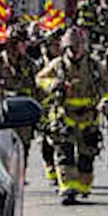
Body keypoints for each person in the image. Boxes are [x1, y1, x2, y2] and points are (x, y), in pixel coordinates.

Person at [36, 27, 108, 205]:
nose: (74, 50)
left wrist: (106, 102)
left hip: (88, 118)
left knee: (87, 157)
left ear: (84, 46)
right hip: (65, 118)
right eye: (70, 47)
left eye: (77, 46)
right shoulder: (58, 65)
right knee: (65, 154)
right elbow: (39, 79)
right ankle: (67, 190)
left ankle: (83, 187)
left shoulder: (95, 66)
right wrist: (53, 83)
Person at [0, 26, 38, 157]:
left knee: (22, 154)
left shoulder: (30, 65)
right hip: (4, 119)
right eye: (23, 43)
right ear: (13, 44)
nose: (25, 46)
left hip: (24, 120)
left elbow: (37, 89)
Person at [36, 29, 65, 187]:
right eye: (51, 45)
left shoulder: (62, 64)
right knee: (45, 144)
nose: (54, 48)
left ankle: (62, 174)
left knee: (62, 143)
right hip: (43, 110)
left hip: (60, 109)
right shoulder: (39, 65)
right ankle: (51, 170)